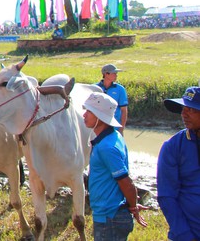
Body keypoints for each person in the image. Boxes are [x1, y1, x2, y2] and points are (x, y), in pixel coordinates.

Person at [82, 92, 147, 240]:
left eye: (89, 112)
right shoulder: (114, 136)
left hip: (109, 217)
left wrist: (134, 206)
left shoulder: (107, 147)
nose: (84, 115)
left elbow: (125, 181)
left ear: (100, 116)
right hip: (109, 215)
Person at [157, 86, 200, 241]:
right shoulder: (173, 146)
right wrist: (185, 236)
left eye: (192, 109)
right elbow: (166, 196)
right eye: (183, 108)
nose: (184, 114)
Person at [96, 64, 129, 134]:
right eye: (114, 73)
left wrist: (121, 129)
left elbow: (124, 111)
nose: (116, 75)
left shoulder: (120, 89)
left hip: (114, 128)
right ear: (106, 74)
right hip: (96, 128)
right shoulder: (95, 88)